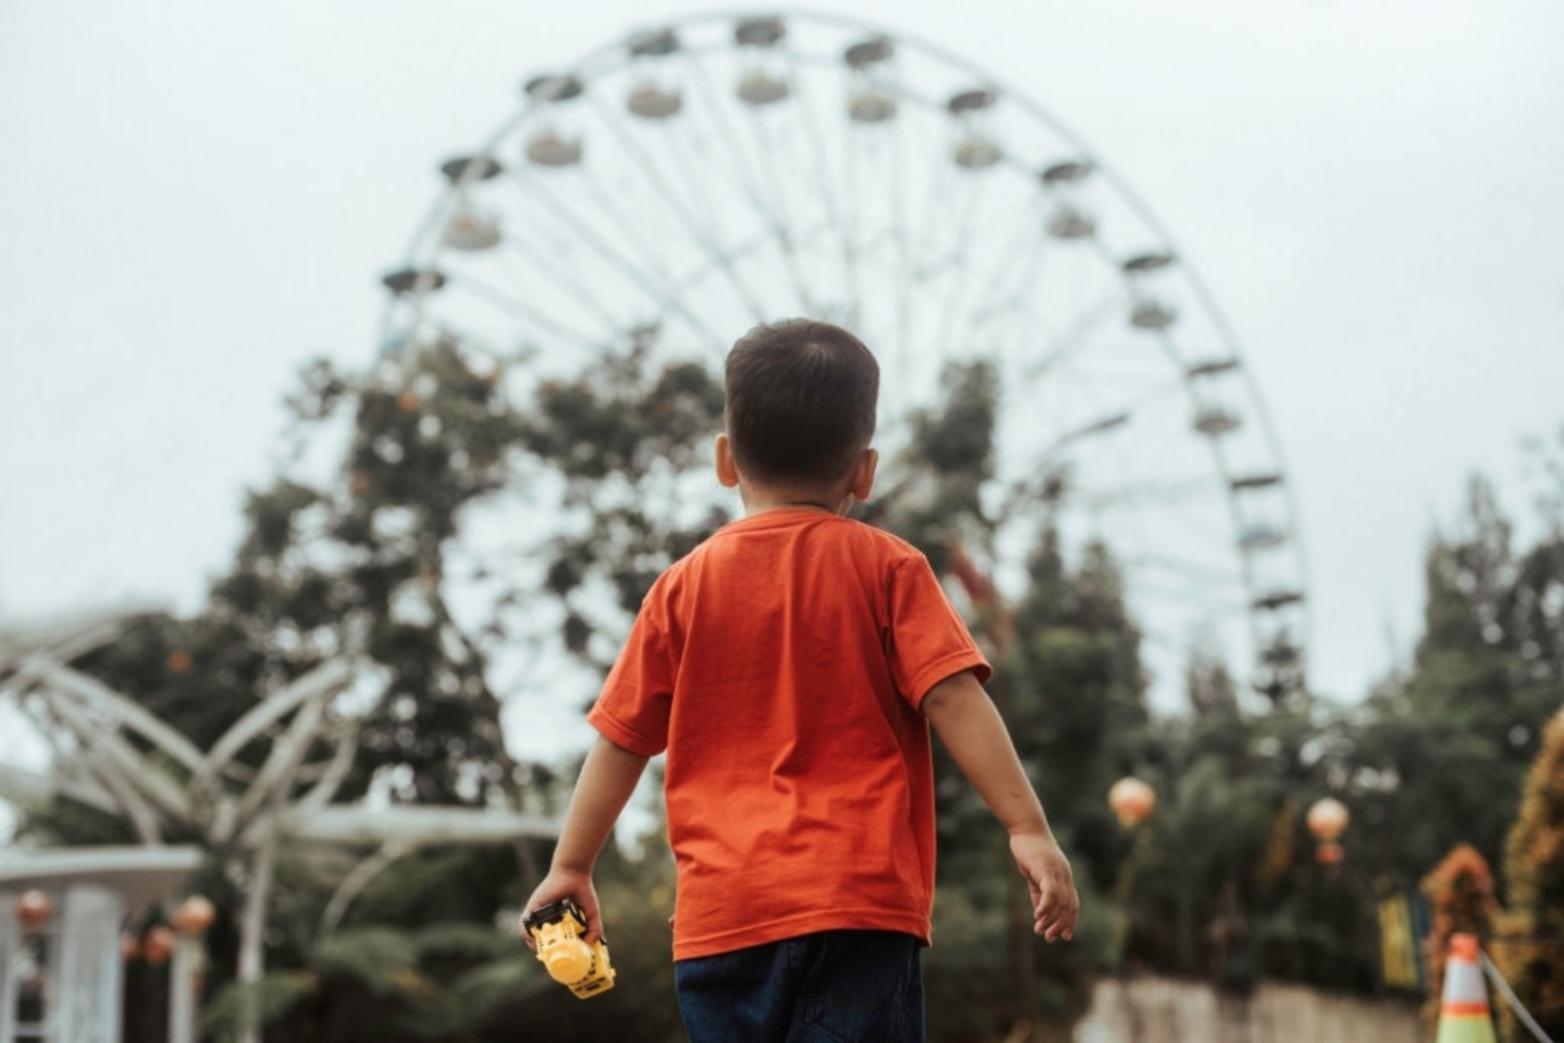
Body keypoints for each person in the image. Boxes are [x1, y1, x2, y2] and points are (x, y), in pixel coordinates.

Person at [520, 318, 1078, 1042]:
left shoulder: (681, 588)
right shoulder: (890, 567)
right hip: (856, 903)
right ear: (864, 472)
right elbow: (952, 695)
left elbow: (621, 738)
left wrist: (571, 865)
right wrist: (1027, 828)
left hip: (722, 921)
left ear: (725, 460)